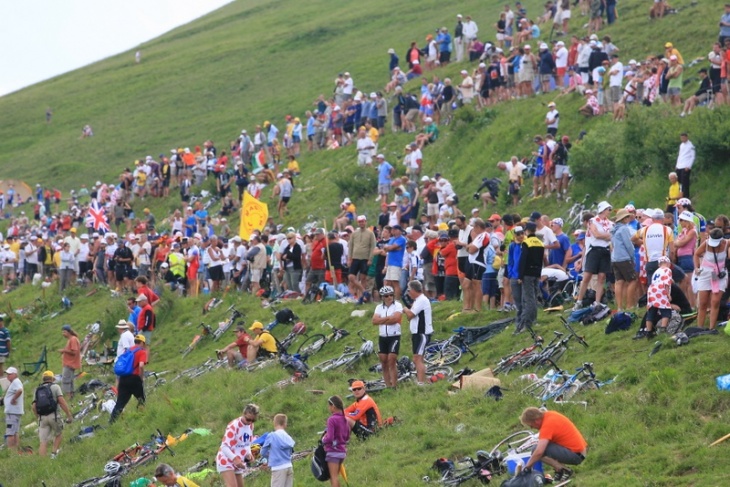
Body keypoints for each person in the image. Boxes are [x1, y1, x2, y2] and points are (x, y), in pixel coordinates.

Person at [520, 407, 587, 482]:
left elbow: (539, 452)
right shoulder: (550, 415)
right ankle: (559, 471)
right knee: (541, 447)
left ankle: (564, 470)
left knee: (536, 450)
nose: (532, 428)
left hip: (576, 455)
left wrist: (527, 467)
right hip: (579, 451)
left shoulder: (547, 425)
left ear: (537, 421)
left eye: (531, 425)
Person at [575, 201, 613, 308]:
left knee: (602, 277)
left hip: (605, 250)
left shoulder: (610, 223)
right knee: (587, 276)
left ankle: (597, 301)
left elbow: (612, 236)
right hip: (594, 250)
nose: (609, 212)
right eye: (608, 210)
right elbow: (595, 234)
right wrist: (606, 235)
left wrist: (604, 235)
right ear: (603, 210)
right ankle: (579, 300)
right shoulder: (593, 221)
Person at [216, 403, 260, 487]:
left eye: (253, 420)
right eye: (248, 419)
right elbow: (224, 447)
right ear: (243, 414)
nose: (250, 422)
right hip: (226, 460)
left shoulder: (250, 426)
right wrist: (235, 458)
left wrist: (249, 454)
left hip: (239, 462)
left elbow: (246, 443)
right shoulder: (233, 426)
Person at [32, 370, 73, 457]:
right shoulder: (55, 387)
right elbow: (61, 402)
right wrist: (69, 415)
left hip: (42, 418)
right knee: (58, 434)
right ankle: (53, 454)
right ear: (52, 379)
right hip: (54, 415)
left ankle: (42, 461)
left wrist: (38, 417)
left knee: (43, 441)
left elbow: (33, 406)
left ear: (43, 379)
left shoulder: (37, 389)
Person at [693, 228, 728, 330]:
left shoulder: (726, 243)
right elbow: (696, 254)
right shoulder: (707, 243)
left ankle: (711, 328)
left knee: (715, 301)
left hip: (719, 274)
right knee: (703, 303)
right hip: (706, 273)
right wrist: (696, 267)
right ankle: (700, 327)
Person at [109, 335, 147, 423]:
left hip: (123, 379)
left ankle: (111, 422)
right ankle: (140, 418)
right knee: (141, 399)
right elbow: (141, 365)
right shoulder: (142, 352)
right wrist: (141, 378)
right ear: (142, 343)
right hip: (134, 379)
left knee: (120, 403)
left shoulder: (128, 350)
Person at [402, 280, 433, 384]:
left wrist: (405, 309)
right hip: (417, 333)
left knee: (417, 359)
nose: (408, 293)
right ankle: (423, 379)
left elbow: (410, 315)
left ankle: (421, 383)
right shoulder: (417, 300)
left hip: (422, 333)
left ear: (414, 290)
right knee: (418, 358)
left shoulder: (421, 300)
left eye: (409, 290)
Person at [372, 285, 402, 388]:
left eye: (391, 295)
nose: (389, 297)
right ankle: (387, 385)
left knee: (391, 359)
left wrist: (382, 320)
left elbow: (396, 319)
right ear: (382, 298)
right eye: (386, 296)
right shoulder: (378, 307)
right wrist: (388, 318)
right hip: (383, 336)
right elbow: (374, 321)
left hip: (394, 336)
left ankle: (394, 385)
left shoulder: (397, 305)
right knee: (383, 361)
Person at [517, 222, 544, 333]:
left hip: (527, 273)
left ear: (527, 231)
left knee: (529, 299)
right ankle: (535, 320)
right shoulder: (540, 242)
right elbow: (541, 259)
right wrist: (538, 273)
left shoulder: (526, 242)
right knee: (534, 296)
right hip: (536, 273)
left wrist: (520, 275)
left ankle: (528, 323)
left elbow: (523, 260)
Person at [611, 209, 637, 312]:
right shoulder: (624, 229)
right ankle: (630, 305)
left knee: (619, 281)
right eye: (627, 217)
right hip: (624, 258)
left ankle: (620, 307)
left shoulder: (614, 230)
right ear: (623, 219)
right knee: (633, 280)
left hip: (615, 258)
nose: (628, 218)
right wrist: (632, 257)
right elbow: (629, 245)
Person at [261, 413, 295, 487]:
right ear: (285, 424)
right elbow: (290, 452)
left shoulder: (271, 436)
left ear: (274, 423)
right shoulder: (288, 437)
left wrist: (268, 456)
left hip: (278, 468)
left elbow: (263, 452)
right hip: (289, 466)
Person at [322, 395, 350, 487]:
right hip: (342, 451)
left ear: (333, 406)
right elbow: (347, 437)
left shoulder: (332, 419)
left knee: (333, 477)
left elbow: (329, 437)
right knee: (336, 477)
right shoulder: (344, 419)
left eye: (329, 406)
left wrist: (323, 439)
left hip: (333, 452)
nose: (329, 408)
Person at [646, 256, 674, 338]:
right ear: (668, 263)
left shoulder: (656, 271)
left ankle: (648, 332)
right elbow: (667, 283)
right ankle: (663, 329)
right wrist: (668, 294)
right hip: (660, 291)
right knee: (666, 311)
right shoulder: (667, 270)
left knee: (651, 311)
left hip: (651, 291)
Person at [3, 366, 23, 451]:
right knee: (15, 431)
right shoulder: (16, 382)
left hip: (12, 412)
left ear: (15, 374)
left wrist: (13, 399)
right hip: (16, 411)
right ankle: (16, 449)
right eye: (7, 374)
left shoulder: (15, 382)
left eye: (9, 374)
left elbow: (19, 390)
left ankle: (11, 450)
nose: (8, 376)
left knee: (10, 432)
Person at [58, 324, 81, 399]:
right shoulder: (71, 340)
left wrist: (64, 350)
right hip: (69, 363)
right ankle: (71, 394)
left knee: (66, 379)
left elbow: (74, 351)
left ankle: (68, 396)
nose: (63, 334)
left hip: (70, 363)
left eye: (64, 332)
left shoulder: (73, 339)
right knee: (70, 379)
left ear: (69, 332)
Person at [675, 133, 695, 199]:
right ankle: (680, 195)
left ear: (686, 137)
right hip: (679, 166)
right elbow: (680, 155)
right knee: (679, 181)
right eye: (681, 138)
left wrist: (689, 166)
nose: (682, 139)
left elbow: (692, 156)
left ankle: (686, 196)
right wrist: (677, 165)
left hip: (686, 166)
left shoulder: (691, 145)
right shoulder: (681, 145)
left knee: (685, 181)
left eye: (683, 138)